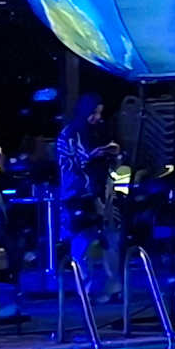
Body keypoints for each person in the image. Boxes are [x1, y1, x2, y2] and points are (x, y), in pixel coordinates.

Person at [55, 95, 122, 302]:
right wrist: (95, 155)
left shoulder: (99, 131)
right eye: (94, 113)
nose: (97, 117)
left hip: (101, 190)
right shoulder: (69, 133)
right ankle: (84, 290)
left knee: (110, 237)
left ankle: (113, 286)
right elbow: (74, 162)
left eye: (99, 113)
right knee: (81, 242)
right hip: (77, 194)